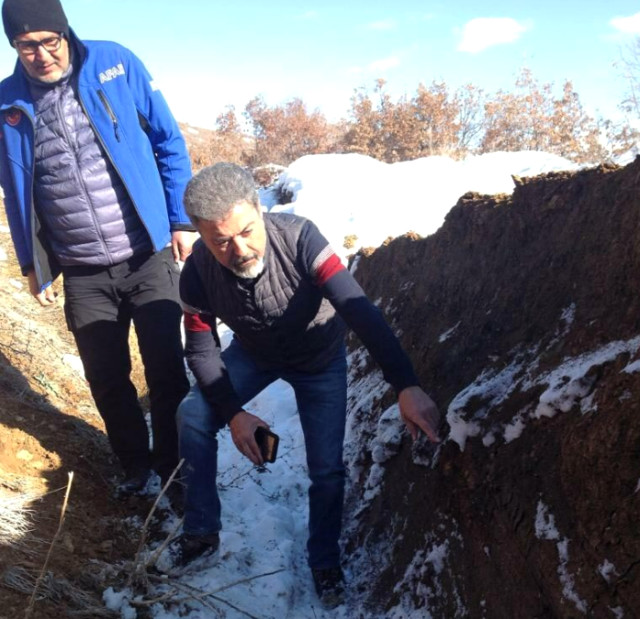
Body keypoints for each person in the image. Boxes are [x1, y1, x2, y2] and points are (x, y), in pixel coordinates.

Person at [174, 162, 441, 608]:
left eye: (247, 231)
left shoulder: (300, 239)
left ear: (260, 210)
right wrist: (234, 413)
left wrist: (405, 384)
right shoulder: (197, 273)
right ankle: (201, 531)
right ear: (201, 236)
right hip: (254, 354)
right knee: (193, 415)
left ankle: (324, 559)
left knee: (327, 469)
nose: (239, 248)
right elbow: (201, 350)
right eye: (221, 241)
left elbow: (358, 309)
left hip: (319, 360)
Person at [0, 0, 194, 500]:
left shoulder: (115, 63)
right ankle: (134, 464)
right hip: (83, 270)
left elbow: (168, 141)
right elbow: (16, 190)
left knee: (166, 369)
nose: (40, 54)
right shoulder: (7, 105)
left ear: (65, 32)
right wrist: (31, 263)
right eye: (26, 46)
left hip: (146, 255)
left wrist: (181, 220)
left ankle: (174, 465)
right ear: (13, 46)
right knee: (106, 378)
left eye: (49, 41)